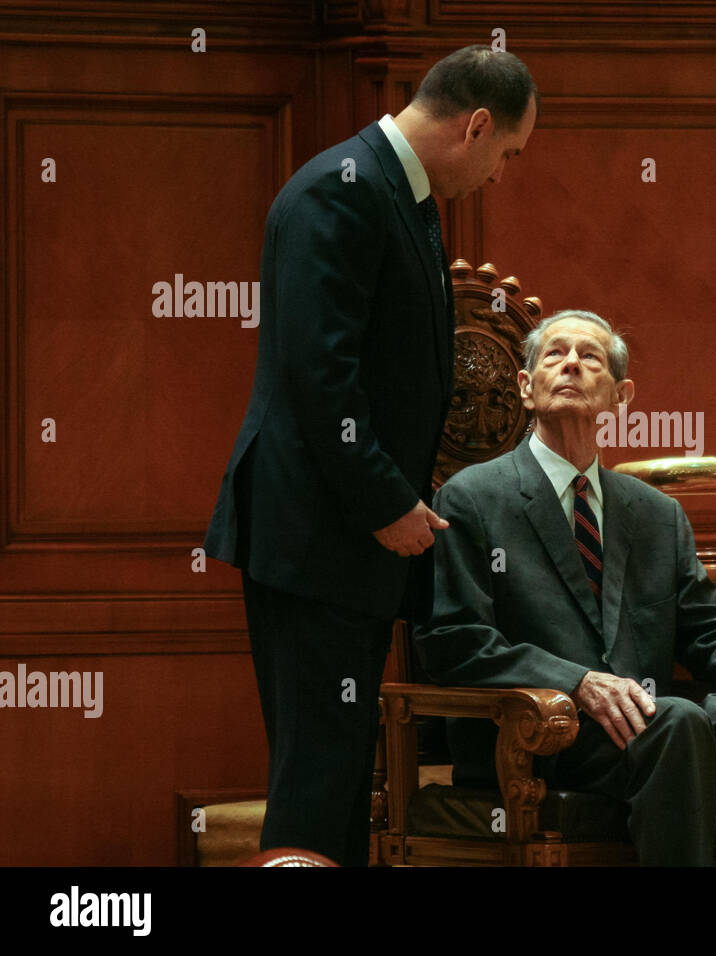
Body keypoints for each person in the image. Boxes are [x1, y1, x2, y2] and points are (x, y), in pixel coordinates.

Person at [202, 46, 538, 867]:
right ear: (478, 125)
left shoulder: (398, 194)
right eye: (508, 154)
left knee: (343, 773)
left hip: (339, 540)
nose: (501, 175)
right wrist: (387, 501)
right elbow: (321, 374)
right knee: (317, 778)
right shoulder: (339, 190)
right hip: (314, 535)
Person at [414, 310, 716, 865]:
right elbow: (454, 640)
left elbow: (706, 622)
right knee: (675, 720)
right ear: (526, 388)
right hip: (537, 730)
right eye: (554, 354)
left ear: (620, 395)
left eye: (591, 358)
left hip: (643, 722)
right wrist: (577, 681)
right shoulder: (473, 499)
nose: (572, 364)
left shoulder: (655, 513)